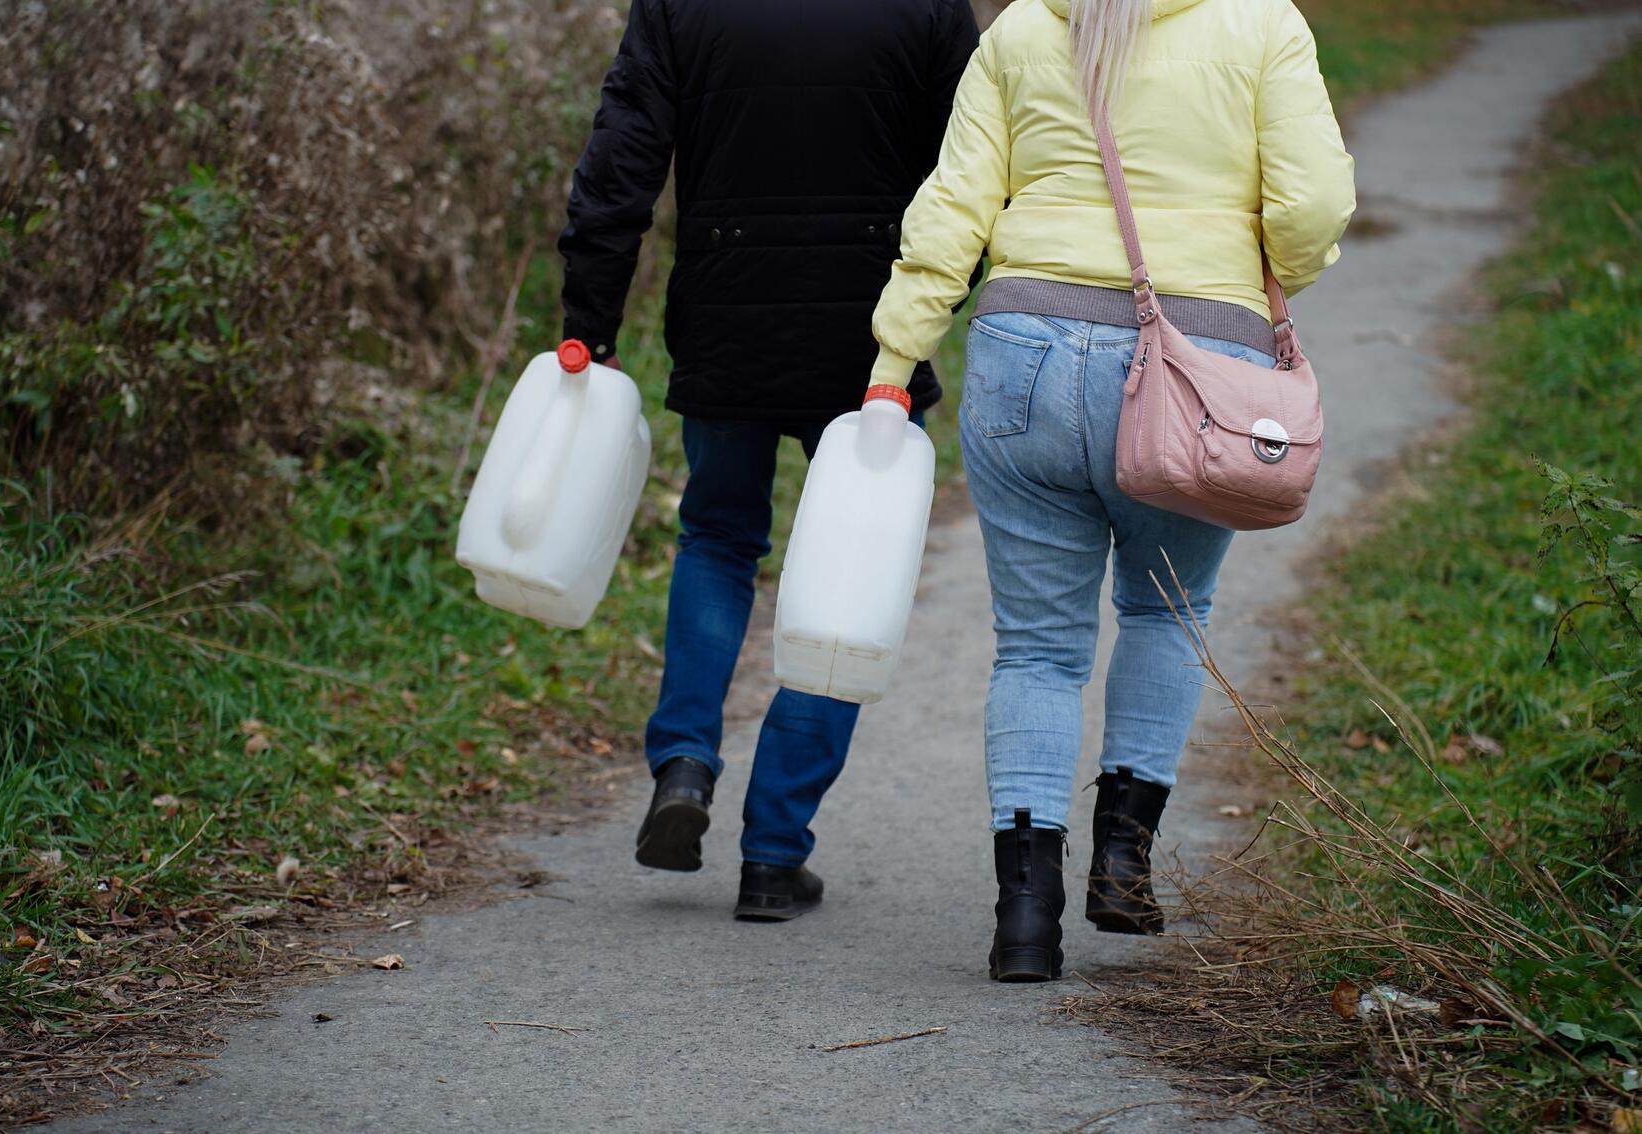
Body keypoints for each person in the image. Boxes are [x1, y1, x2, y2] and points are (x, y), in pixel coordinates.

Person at [869, 0, 1354, 978]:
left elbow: (954, 202)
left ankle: (1023, 916)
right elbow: (1308, 208)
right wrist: (1272, 272)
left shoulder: (1017, 31)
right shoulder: (1260, 25)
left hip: (1023, 354)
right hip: (1198, 364)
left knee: (1037, 650)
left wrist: (895, 352)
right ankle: (1123, 865)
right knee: (1166, 613)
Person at [559, 0, 980, 920]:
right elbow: (975, 170)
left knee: (716, 535)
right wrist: (943, 302)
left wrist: (590, 316)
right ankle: (774, 852)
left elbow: (622, 155)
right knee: (851, 575)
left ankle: (683, 763)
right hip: (873, 332)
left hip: (725, 307)